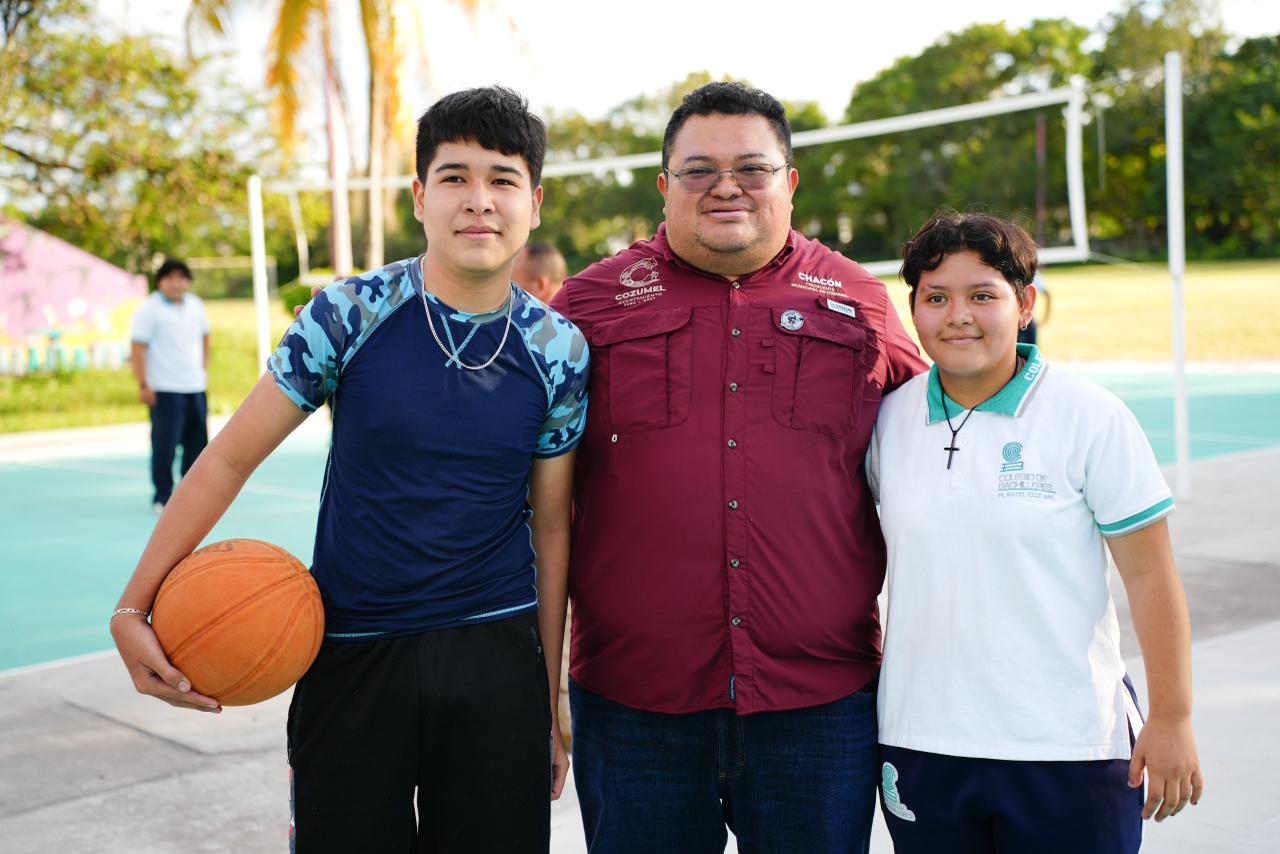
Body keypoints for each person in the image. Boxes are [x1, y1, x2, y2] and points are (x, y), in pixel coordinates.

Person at [110, 87, 588, 854]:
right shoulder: (349, 314)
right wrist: (133, 606)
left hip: (496, 656)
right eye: (454, 177)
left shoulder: (559, 350)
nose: (478, 199)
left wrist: (549, 693)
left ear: (533, 202)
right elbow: (229, 456)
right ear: (419, 196)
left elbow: (553, 523)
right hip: (353, 653)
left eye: (502, 179)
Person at [549, 82, 926, 853]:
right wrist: (534, 686)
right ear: (665, 186)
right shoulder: (587, 306)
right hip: (634, 708)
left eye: (752, 168)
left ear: (790, 182)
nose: (726, 186)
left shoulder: (860, 302)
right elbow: (532, 502)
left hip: (818, 706)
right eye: (699, 170)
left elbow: (948, 453)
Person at [867, 211, 1203, 853]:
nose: (958, 316)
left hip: (1069, 746)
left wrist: (1173, 717)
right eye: (936, 298)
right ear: (913, 311)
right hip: (921, 744)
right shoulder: (888, 422)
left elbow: (1150, 574)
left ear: (1024, 306)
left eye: (982, 296)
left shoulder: (1090, 418)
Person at [129, 258, 209, 514]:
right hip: (164, 388)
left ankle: (191, 497)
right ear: (160, 282)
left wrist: (202, 369)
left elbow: (205, 338)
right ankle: (162, 496)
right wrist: (143, 384)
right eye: (171, 278)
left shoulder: (196, 305)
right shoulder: (149, 310)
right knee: (165, 445)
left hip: (195, 386)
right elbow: (137, 348)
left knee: (197, 446)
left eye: (182, 278)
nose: (177, 283)